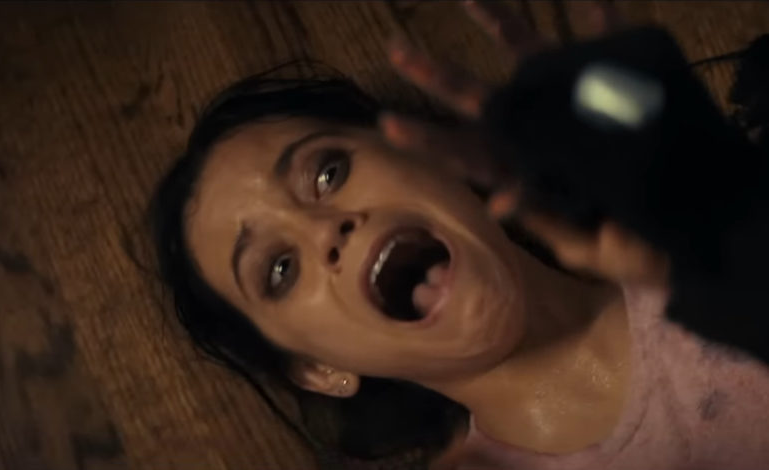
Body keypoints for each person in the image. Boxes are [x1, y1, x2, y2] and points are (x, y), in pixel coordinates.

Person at [151, 2, 769, 469]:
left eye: (327, 172)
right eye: (280, 270)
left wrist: (724, 199)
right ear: (317, 369)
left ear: (427, 154)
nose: (324, 230)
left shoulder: (718, 240)